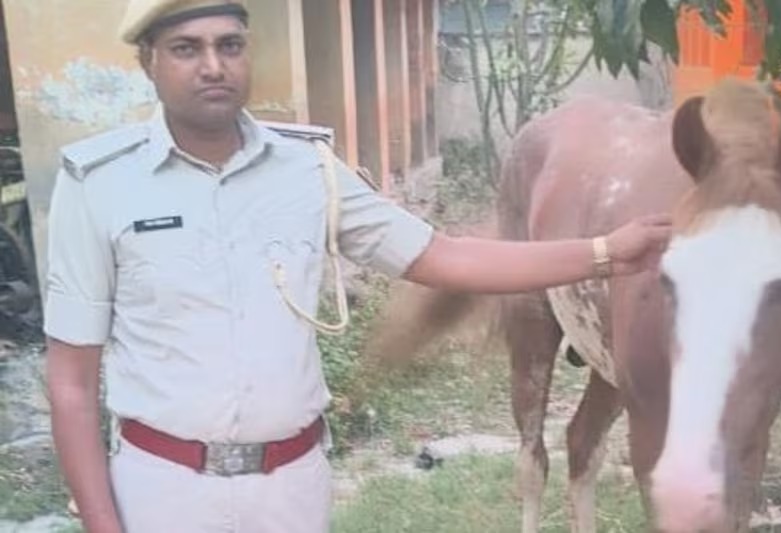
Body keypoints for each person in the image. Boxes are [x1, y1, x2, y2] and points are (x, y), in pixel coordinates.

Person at [43, 1, 672, 532]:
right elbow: (71, 383)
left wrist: (605, 252)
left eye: (229, 45)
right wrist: (103, 524)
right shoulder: (99, 184)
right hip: (162, 491)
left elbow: (442, 257)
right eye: (186, 48)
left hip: (292, 486)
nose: (213, 65)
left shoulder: (307, 170)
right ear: (147, 61)